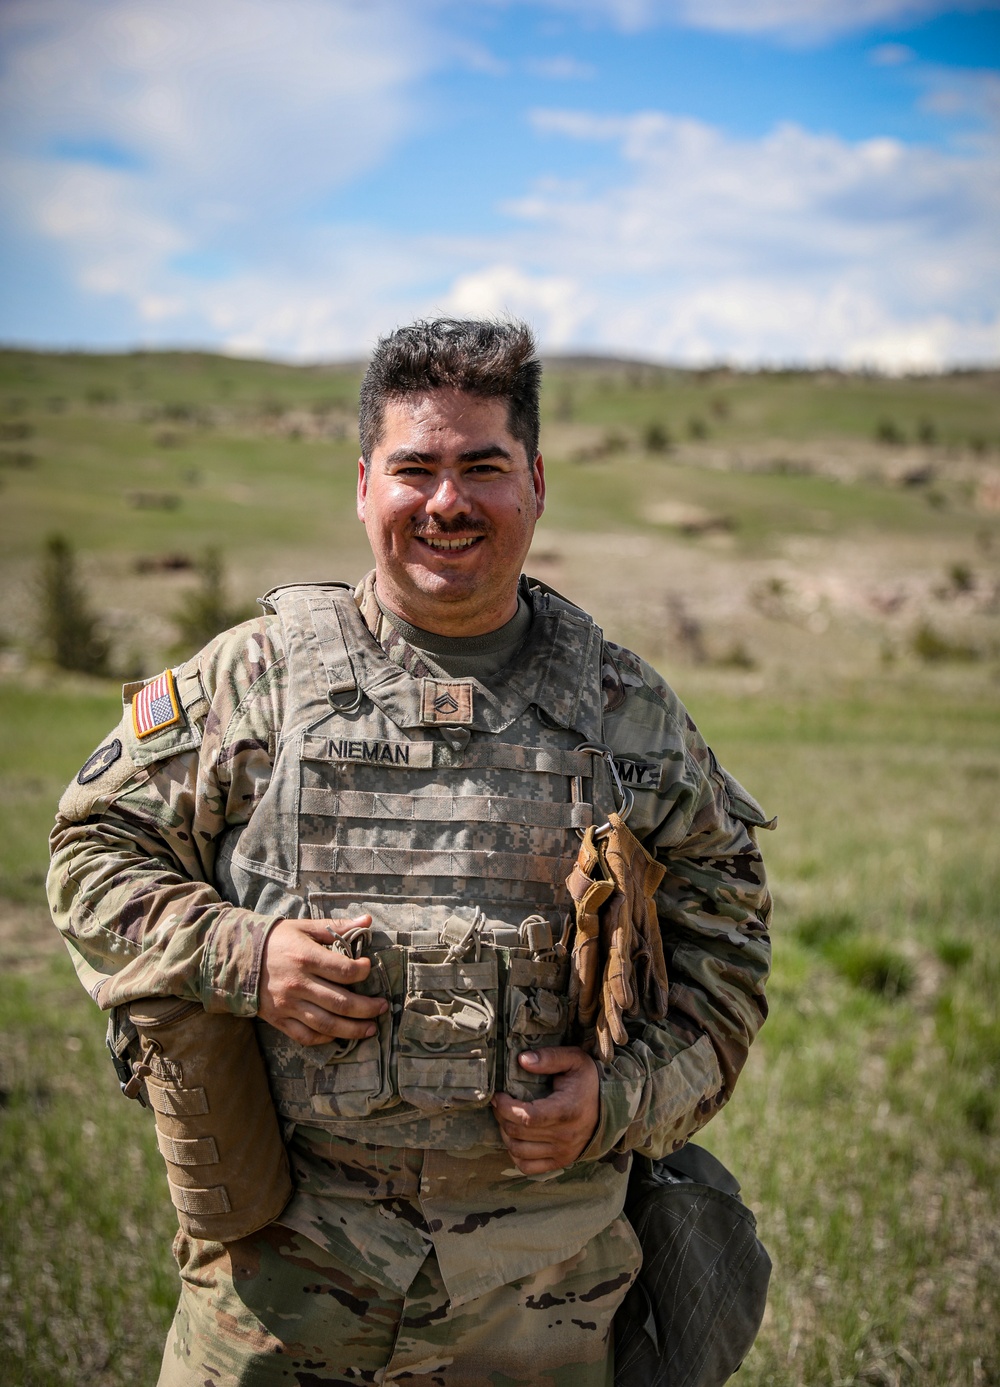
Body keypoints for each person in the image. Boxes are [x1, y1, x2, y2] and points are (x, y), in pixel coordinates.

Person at [48, 317, 772, 1386]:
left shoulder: (626, 713)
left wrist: (614, 1101)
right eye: (414, 468)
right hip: (276, 1304)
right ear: (362, 486)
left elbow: (729, 952)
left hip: (544, 1309)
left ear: (534, 481)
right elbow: (89, 850)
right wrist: (244, 956)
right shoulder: (256, 682)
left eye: (482, 466)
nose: (447, 501)